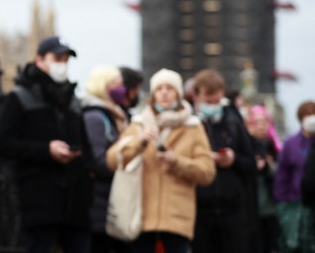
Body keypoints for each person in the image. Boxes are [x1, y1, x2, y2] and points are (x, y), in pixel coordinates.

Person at [0, 36, 93, 253]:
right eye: (57, 58)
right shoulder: (20, 98)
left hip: (74, 206)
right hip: (38, 202)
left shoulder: (73, 101)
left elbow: (87, 150)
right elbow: (3, 144)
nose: (62, 64)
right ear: (40, 60)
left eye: (66, 59)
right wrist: (46, 150)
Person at [105, 69, 215, 253]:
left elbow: (207, 173)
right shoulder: (139, 123)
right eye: (159, 89)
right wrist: (139, 142)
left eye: (170, 88)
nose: (164, 93)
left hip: (176, 221)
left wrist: (177, 162)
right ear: (153, 94)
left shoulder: (193, 127)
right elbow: (112, 160)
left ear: (178, 94)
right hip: (141, 218)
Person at [191, 69, 258, 253]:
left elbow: (251, 163)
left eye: (217, 101)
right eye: (208, 101)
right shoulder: (189, 126)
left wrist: (233, 159)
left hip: (232, 211)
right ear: (196, 97)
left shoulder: (233, 123)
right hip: (199, 212)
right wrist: (205, 161)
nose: (214, 105)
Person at [81, 65, 129, 253]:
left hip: (112, 203)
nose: (122, 89)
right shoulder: (95, 117)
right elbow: (98, 160)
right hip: (100, 206)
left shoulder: (116, 116)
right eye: (117, 85)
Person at [273, 100, 315, 253]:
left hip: (312, 202)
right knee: (293, 244)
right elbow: (282, 176)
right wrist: (281, 203)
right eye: (308, 115)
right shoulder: (291, 143)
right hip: (294, 202)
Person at [246, 105, 282, 253]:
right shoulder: (246, 146)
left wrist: (271, 167)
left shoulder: (276, 148)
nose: (260, 127)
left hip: (271, 206)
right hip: (251, 207)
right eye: (256, 122)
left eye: (264, 122)